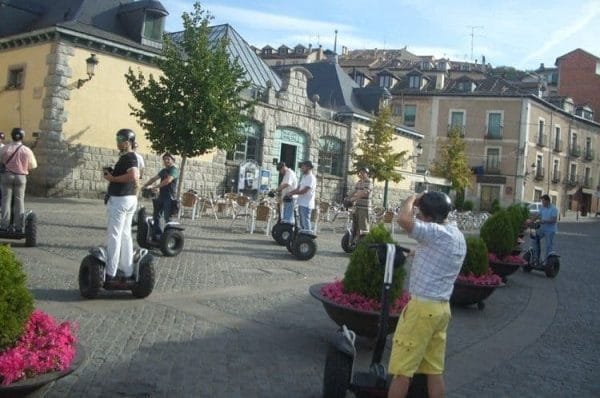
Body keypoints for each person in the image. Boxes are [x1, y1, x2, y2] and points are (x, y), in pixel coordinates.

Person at [388, 191, 466, 398]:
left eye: (421, 214)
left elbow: (403, 219)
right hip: (441, 310)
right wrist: (412, 253)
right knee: (433, 370)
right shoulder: (456, 235)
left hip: (422, 309)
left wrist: (411, 199)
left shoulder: (435, 233)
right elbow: (434, 254)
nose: (419, 217)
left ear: (430, 218)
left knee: (402, 371)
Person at [103, 128, 139, 281]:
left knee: (115, 235)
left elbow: (134, 175)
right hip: (129, 199)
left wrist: (112, 179)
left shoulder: (129, 157)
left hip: (120, 199)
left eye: (121, 140)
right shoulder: (128, 157)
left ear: (129, 142)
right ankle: (127, 269)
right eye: (117, 139)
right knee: (125, 235)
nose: (118, 142)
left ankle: (110, 272)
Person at [0, 128, 38, 233]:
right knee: (19, 201)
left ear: (11, 136)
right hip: (21, 177)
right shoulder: (27, 150)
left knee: (5, 200)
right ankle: (18, 227)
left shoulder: (5, 148)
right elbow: (33, 166)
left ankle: (4, 225)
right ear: (22, 137)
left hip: (7, 176)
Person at [142, 152, 179, 240]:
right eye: (164, 159)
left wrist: (155, 186)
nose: (166, 161)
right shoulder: (163, 170)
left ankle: (169, 238)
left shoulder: (174, 170)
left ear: (173, 160)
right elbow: (154, 179)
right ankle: (157, 235)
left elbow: (168, 180)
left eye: (168, 159)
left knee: (167, 217)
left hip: (170, 197)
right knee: (156, 216)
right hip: (161, 195)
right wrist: (144, 186)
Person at [286, 160, 316, 232]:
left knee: (305, 222)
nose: (301, 168)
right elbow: (298, 188)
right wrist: (290, 193)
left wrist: (292, 194)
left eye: (303, 166)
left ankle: (308, 238)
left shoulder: (311, 178)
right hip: (301, 203)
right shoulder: (304, 177)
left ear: (308, 167)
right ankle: (303, 238)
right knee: (302, 223)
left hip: (306, 204)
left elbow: (304, 191)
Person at [347, 166, 372, 238]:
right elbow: (354, 191)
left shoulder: (369, 182)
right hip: (357, 207)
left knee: (364, 227)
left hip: (364, 208)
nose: (361, 174)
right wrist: (347, 197)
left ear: (367, 174)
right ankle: (355, 242)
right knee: (355, 226)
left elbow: (364, 193)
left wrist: (353, 199)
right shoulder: (359, 182)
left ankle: (365, 243)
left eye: (363, 172)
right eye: (361, 172)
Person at [535, 194, 558, 260]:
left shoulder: (554, 209)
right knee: (535, 239)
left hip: (550, 230)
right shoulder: (542, 207)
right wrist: (530, 221)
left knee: (548, 245)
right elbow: (537, 215)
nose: (542, 203)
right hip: (542, 229)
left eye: (543, 201)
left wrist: (544, 221)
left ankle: (547, 261)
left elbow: (554, 220)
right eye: (542, 201)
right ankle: (536, 257)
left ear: (547, 201)